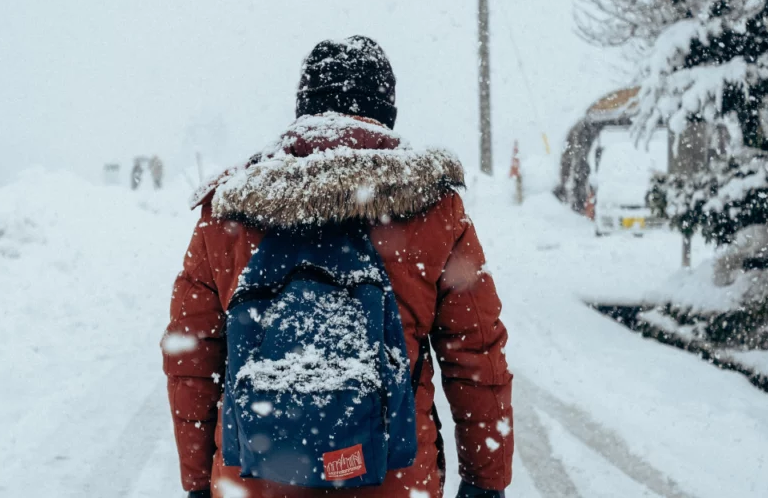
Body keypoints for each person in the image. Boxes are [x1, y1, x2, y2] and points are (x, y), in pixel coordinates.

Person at [162, 36, 513, 498]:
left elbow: (191, 360)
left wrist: (195, 483)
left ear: (303, 107)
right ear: (387, 110)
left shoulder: (227, 212)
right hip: (394, 479)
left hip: (254, 481)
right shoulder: (434, 209)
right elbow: (476, 356)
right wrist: (485, 482)